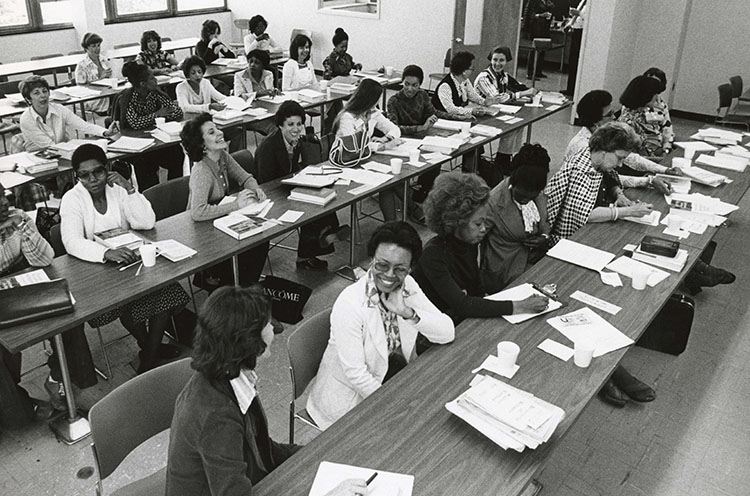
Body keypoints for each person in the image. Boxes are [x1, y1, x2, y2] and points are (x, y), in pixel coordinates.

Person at [167, 286, 367, 496]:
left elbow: (262, 448)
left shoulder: (233, 376)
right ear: (246, 340)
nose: (273, 327)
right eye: (266, 324)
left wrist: (319, 455)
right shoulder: (215, 416)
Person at [307, 222, 455, 430]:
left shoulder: (408, 286)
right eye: (382, 265)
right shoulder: (350, 303)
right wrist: (399, 408)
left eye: (400, 269)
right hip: (350, 401)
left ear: (411, 268)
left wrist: (407, 312)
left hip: (394, 378)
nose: (389, 275)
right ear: (371, 259)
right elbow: (357, 375)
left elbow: (447, 332)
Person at [60, 144, 188, 373]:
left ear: (107, 168)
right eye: (84, 175)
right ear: (77, 176)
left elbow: (146, 222)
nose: (92, 179)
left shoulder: (117, 189)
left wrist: (130, 189)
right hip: (99, 273)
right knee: (129, 305)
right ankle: (151, 353)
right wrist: (105, 253)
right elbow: (71, 242)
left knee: (166, 291)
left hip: (132, 263)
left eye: (98, 171)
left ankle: (149, 353)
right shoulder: (72, 199)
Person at [0, 183, 97, 423]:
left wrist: (22, 226)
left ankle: (59, 378)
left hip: (23, 288)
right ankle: (16, 408)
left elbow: (44, 258)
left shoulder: (18, 218)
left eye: (2, 196)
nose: (3, 203)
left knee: (68, 314)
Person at [412, 172, 549, 324]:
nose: (484, 229)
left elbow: (475, 291)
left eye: (484, 222)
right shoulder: (433, 255)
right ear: (457, 222)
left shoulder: (468, 244)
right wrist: (519, 306)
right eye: (478, 224)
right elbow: (462, 304)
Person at [255, 101, 350, 271]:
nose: (296, 129)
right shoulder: (268, 147)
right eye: (290, 124)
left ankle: (320, 240)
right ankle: (320, 239)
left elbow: (298, 166)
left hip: (288, 186)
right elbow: (266, 182)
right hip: (270, 195)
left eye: (299, 124)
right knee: (308, 204)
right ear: (280, 126)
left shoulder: (295, 141)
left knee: (322, 195)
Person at [181, 113, 268, 287]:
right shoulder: (202, 171)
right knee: (249, 244)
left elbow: (245, 177)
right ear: (202, 145)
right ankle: (223, 284)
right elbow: (197, 212)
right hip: (202, 231)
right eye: (212, 133)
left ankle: (244, 286)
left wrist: (255, 189)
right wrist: (235, 205)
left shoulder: (222, 157)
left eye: (217, 129)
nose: (220, 133)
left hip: (220, 221)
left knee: (260, 239)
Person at [568, 89, 678, 195]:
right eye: (609, 114)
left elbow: (631, 159)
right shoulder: (582, 146)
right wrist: (648, 181)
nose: (614, 117)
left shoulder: (605, 134)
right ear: (595, 122)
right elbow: (603, 179)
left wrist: (665, 170)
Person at [481, 144, 551, 289]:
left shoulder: (538, 192)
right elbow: (473, 241)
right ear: (513, 180)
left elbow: (544, 220)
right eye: (521, 196)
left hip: (533, 262)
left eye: (532, 196)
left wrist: (544, 236)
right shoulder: (494, 202)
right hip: (503, 271)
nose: (525, 200)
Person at [334, 79, 402, 221]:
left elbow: (395, 129)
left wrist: (386, 139)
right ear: (367, 99)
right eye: (376, 99)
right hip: (347, 162)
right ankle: (403, 217)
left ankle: (395, 223)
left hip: (365, 158)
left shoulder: (373, 113)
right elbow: (354, 145)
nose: (377, 103)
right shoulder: (347, 117)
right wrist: (378, 146)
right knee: (388, 182)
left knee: (393, 180)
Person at [386, 64, 449, 214]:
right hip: (402, 141)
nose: (410, 89)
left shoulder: (422, 95)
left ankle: (423, 190)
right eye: (406, 84)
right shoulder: (393, 101)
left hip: (420, 137)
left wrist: (460, 117)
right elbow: (394, 128)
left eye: (415, 85)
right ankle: (414, 198)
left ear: (420, 85)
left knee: (436, 156)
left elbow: (435, 112)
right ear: (402, 82)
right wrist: (419, 128)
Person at [116, 61, 184, 190]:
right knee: (145, 165)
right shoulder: (128, 98)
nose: (156, 81)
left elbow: (177, 112)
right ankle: (152, 197)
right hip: (137, 144)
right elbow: (134, 123)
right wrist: (157, 114)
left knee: (177, 153)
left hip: (157, 139)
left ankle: (175, 189)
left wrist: (167, 113)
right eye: (152, 78)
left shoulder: (156, 93)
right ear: (142, 84)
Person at [474, 46, 537, 180]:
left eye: (501, 60)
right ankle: (502, 160)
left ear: (506, 61)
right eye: (495, 60)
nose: (497, 63)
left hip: (496, 111)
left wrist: (529, 91)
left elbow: (517, 86)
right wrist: (522, 94)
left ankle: (505, 157)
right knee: (511, 126)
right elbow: (496, 98)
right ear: (490, 60)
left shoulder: (503, 76)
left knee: (519, 123)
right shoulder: (484, 77)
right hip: (481, 115)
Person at [19, 76, 117, 152]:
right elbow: (48, 145)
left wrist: (105, 132)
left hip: (63, 150)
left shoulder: (59, 109)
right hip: (38, 157)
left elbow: (83, 125)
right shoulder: (26, 119)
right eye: (36, 93)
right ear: (28, 99)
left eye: (45, 91)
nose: (43, 96)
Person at [432, 51, 500, 120]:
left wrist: (485, 101)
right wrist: (471, 111)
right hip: (442, 119)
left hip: (458, 117)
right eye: (472, 69)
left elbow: (474, 96)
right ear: (463, 71)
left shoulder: (465, 81)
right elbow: (451, 109)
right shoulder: (445, 86)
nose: (472, 71)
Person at [617, 75, 671, 158]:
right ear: (646, 95)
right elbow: (632, 157)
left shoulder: (641, 111)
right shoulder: (629, 120)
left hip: (654, 153)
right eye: (655, 94)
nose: (657, 97)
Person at [74, 32, 112, 115]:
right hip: (94, 98)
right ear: (86, 48)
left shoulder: (104, 60)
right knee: (120, 102)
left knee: (125, 96)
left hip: (109, 93)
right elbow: (81, 89)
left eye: (98, 45)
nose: (97, 49)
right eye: (93, 46)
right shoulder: (82, 65)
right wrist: (100, 79)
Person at [642, 67, 675, 152]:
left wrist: (667, 143)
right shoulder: (636, 103)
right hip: (643, 147)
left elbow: (667, 127)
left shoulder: (662, 104)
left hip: (658, 145)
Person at [523, 0, 555, 79]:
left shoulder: (547, 2)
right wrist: (541, 15)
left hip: (544, 28)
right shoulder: (533, 1)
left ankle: (538, 71)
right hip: (535, 28)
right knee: (534, 50)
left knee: (542, 49)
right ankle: (530, 72)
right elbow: (528, 15)